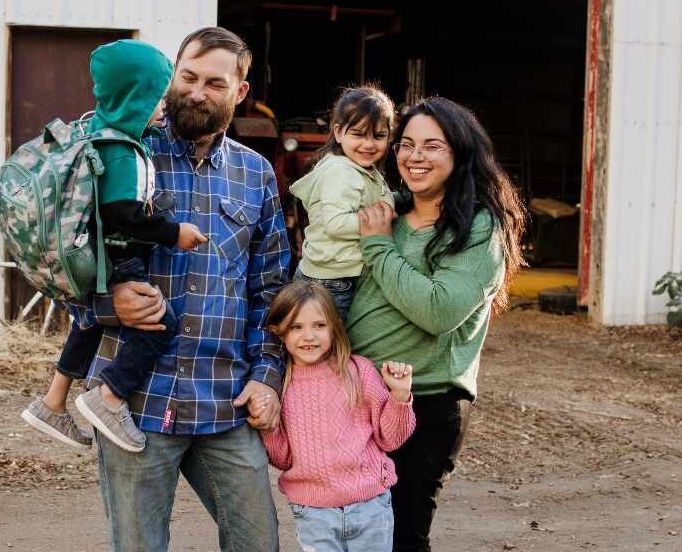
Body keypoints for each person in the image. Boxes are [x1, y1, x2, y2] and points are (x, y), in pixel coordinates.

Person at [71, 27, 290, 552]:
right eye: (187, 77)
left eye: (214, 83)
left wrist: (267, 377)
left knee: (258, 544)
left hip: (225, 401)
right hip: (134, 403)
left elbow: (271, 288)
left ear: (240, 92)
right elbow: (58, 259)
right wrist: (107, 303)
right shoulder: (123, 151)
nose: (195, 92)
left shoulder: (255, 174)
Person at [347, 97, 526, 552]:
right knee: (352, 532)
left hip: (425, 402)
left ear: (460, 152)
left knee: (401, 537)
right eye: (406, 144)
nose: (415, 156)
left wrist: (378, 246)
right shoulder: (387, 213)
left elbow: (440, 310)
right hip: (357, 397)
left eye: (432, 146)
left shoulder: (478, 228)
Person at [21, 40, 207, 452]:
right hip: (121, 258)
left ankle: (52, 402)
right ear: (134, 98)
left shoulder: (96, 132)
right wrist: (173, 233)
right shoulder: (122, 152)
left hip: (96, 254)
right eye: (157, 98)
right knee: (161, 323)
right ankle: (109, 397)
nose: (164, 106)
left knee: (88, 323)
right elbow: (123, 213)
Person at [261, 281, 416, 552]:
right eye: (296, 327)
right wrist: (268, 427)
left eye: (319, 325)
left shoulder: (359, 371)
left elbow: (391, 439)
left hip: (371, 504)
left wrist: (400, 396)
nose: (309, 336)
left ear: (334, 327)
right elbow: (283, 458)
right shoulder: (281, 385)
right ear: (279, 332)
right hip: (314, 511)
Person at [289, 86, 395, 321]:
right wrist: (379, 221)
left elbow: (381, 195)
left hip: (335, 273)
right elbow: (336, 223)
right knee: (330, 338)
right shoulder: (341, 171)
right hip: (332, 280)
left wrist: (392, 204)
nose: (369, 144)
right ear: (338, 133)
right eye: (358, 134)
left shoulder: (363, 168)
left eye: (378, 136)